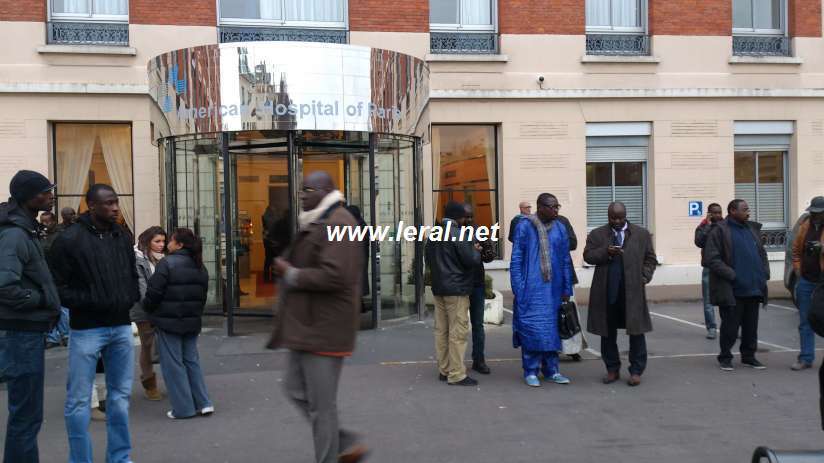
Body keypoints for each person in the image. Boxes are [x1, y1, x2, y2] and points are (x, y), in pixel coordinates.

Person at [268, 171, 368, 463]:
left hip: (326, 328)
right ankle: (344, 443)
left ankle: (331, 455)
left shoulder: (341, 222)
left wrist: (292, 273)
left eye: (307, 190)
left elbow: (337, 275)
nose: (302, 196)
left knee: (321, 407)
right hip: (307, 327)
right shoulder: (319, 221)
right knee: (295, 390)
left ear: (326, 190)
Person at [49, 183, 140, 463]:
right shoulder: (69, 240)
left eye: (116, 202)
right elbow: (57, 286)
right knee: (78, 402)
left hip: (121, 326)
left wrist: (130, 296)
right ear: (92, 205)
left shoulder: (121, 235)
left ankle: (120, 458)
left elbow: (131, 273)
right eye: (108, 203)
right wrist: (91, 299)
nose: (115, 207)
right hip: (87, 329)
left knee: (120, 398)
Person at [0, 170, 60, 463]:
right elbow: (5, 286)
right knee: (26, 415)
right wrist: (41, 301)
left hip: (26, 331)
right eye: (45, 191)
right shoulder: (14, 233)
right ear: (28, 197)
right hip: (21, 332)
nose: (50, 195)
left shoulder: (25, 228)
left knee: (27, 415)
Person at [584, 201, 657, 387]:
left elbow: (650, 259)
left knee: (637, 332)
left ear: (626, 215)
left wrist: (644, 277)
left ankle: (636, 371)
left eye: (620, 217)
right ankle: (612, 369)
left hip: (632, 292)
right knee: (607, 333)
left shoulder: (641, 234)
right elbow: (588, 256)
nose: (616, 221)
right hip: (607, 291)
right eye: (612, 218)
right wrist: (605, 252)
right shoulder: (597, 234)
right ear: (608, 216)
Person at [143, 228, 212, 419]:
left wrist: (149, 309)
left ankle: (183, 408)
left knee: (173, 364)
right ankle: (203, 402)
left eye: (171, 240)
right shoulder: (200, 265)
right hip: (191, 320)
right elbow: (203, 295)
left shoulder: (167, 263)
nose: (167, 244)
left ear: (179, 244)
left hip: (168, 321)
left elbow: (153, 293)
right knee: (191, 361)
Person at [510, 193, 574, 387]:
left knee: (553, 330)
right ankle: (530, 371)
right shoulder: (525, 226)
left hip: (554, 290)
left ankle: (552, 370)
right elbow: (516, 259)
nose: (556, 210)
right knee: (532, 328)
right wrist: (519, 288)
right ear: (540, 207)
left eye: (557, 207)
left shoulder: (560, 228)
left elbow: (564, 260)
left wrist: (566, 287)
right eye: (552, 207)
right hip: (532, 289)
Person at [702, 199, 770, 372]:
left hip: (754, 288)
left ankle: (749, 356)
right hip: (732, 289)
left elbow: (761, 253)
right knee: (730, 327)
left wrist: (764, 274)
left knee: (750, 327)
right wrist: (732, 275)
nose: (748, 212)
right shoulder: (720, 230)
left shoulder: (752, 228)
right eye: (744, 209)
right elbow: (711, 258)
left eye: (748, 209)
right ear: (732, 211)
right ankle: (725, 357)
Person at [426, 201, 482, 386]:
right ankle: (457, 374)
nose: (466, 219)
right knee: (458, 332)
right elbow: (471, 260)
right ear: (459, 217)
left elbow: (429, 260)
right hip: (456, 289)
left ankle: (444, 369)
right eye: (464, 217)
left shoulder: (433, 234)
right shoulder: (460, 234)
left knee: (441, 331)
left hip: (439, 287)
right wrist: (476, 250)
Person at [130, 226, 166, 400]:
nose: (161, 245)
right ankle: (149, 383)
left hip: (156, 306)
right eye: (157, 241)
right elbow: (142, 287)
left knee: (155, 342)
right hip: (143, 308)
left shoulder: (157, 257)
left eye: (163, 241)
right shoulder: (137, 258)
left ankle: (155, 381)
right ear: (147, 240)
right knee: (147, 343)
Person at [789, 196, 824, 370]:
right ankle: (805, 358)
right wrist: (797, 270)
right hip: (806, 279)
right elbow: (795, 250)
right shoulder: (805, 226)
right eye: (813, 213)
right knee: (805, 321)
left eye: (818, 213)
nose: (815, 216)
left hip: (822, 282)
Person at [463, 203, 496, 375]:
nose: (468, 220)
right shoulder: (453, 232)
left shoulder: (479, 231)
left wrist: (483, 248)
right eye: (465, 216)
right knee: (458, 325)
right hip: (460, 283)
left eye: (470, 216)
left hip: (477, 283)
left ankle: (479, 359)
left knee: (478, 324)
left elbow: (490, 256)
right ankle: (456, 362)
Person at [40, 210, 70, 349]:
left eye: (48, 222)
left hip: (57, 276)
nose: (45, 225)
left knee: (62, 307)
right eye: (43, 222)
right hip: (45, 275)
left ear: (54, 221)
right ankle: (53, 336)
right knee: (50, 306)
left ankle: (65, 334)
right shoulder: (40, 236)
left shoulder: (59, 235)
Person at [694, 202, 723, 340]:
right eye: (715, 213)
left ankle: (730, 326)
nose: (718, 215)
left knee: (728, 299)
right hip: (709, 268)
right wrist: (708, 225)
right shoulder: (703, 226)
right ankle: (711, 328)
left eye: (719, 212)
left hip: (724, 267)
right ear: (709, 213)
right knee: (708, 300)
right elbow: (699, 241)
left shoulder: (726, 226)